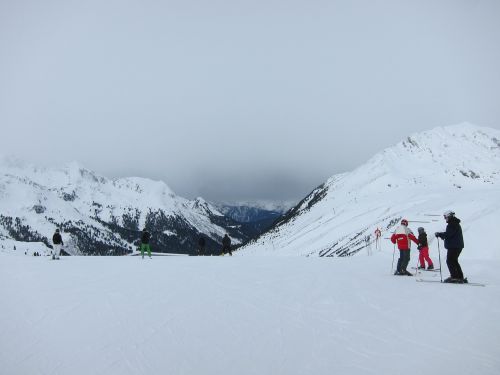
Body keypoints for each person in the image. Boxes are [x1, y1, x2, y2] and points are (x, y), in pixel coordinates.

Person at [435, 211, 466, 283]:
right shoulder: (454, 223)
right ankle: (459, 276)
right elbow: (449, 234)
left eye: (445, 217)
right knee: (454, 261)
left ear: (449, 216)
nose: (445, 219)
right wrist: (441, 234)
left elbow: (448, 234)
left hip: (454, 246)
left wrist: (440, 234)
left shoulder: (452, 224)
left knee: (450, 261)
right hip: (456, 246)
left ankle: (455, 277)